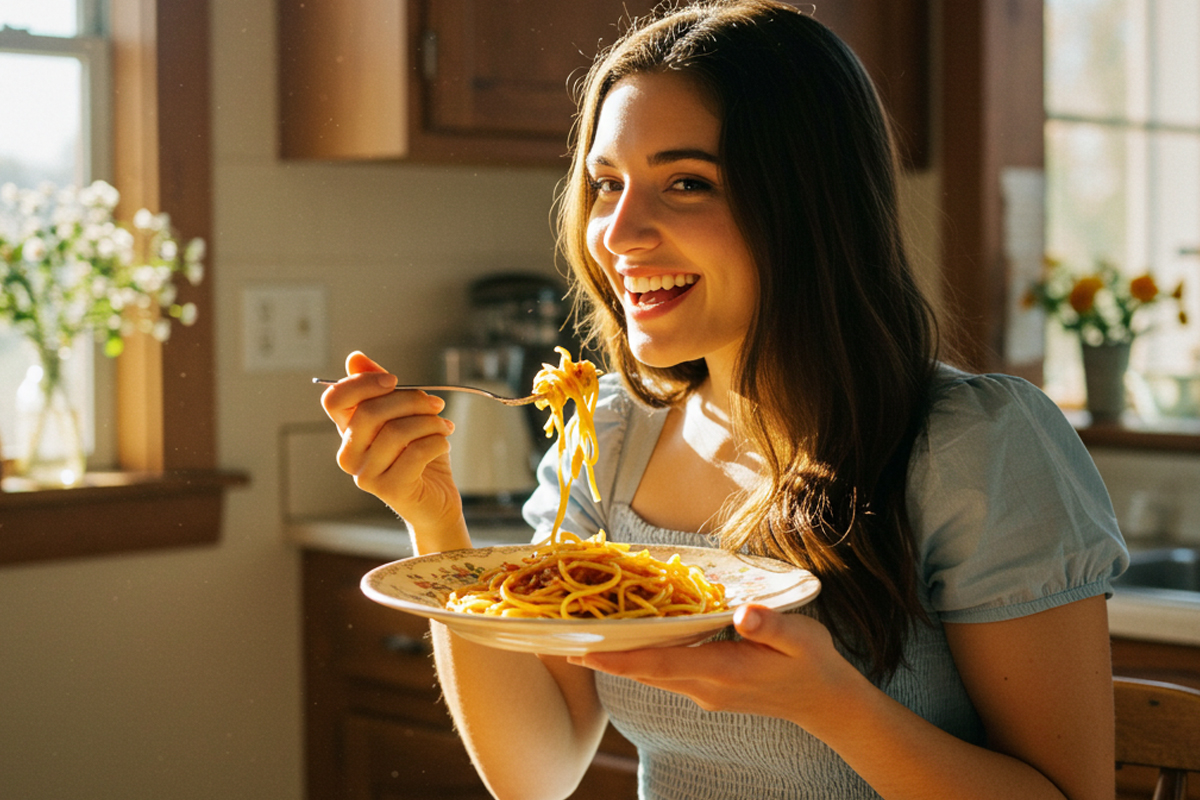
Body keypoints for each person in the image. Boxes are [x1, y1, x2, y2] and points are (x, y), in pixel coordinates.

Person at [320, 2, 1129, 798]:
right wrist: (437, 525)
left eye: (685, 182)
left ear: (807, 205)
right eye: (606, 183)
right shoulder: (605, 435)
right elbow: (537, 773)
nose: (620, 233)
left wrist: (832, 705)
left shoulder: (972, 447)